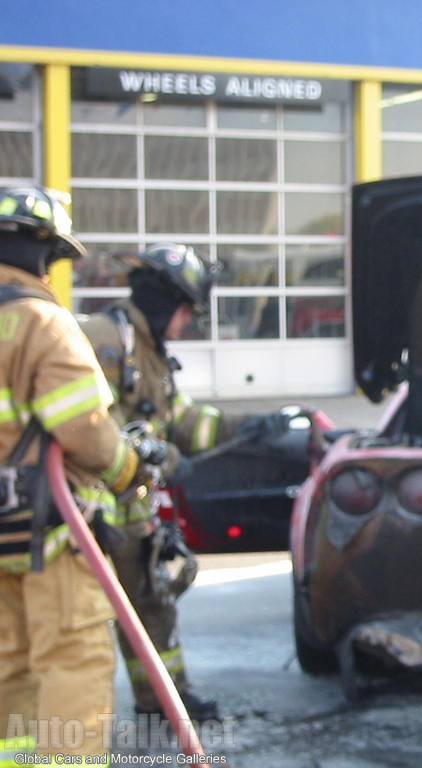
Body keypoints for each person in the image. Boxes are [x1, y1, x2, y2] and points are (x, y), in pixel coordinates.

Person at [78, 243, 291, 723]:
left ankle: (164, 700)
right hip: (91, 514)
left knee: (153, 607)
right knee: (82, 624)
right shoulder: (105, 340)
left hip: (130, 512)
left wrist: (249, 426)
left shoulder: (150, 352)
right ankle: (71, 731)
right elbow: (92, 427)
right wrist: (164, 457)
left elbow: (181, 421)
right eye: (186, 310)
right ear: (167, 302)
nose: (187, 322)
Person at [0, 187, 155, 763]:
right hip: (46, 529)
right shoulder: (41, 322)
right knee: (72, 660)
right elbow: (83, 427)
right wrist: (128, 468)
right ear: (43, 249)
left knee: (9, 662)